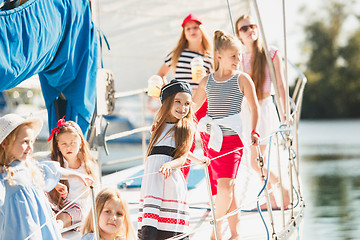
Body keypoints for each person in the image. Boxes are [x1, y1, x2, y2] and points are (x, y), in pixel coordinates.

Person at [192, 30, 260, 240]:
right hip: (211, 141)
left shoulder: (243, 79)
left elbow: (254, 107)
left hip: (232, 142)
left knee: (225, 187)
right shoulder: (207, 81)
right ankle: (235, 233)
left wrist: (254, 131)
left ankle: (215, 233)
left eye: (239, 56)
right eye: (233, 56)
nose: (238, 60)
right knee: (225, 190)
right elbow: (192, 108)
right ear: (219, 57)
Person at [0, 113, 93, 240]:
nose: (30, 147)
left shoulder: (28, 167)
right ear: (5, 143)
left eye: (32, 142)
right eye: (25, 142)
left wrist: (75, 176)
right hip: (22, 231)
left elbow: (49, 171)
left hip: (42, 227)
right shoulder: (5, 176)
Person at [138, 79, 210, 240]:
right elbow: (168, 148)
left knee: (167, 229)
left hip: (169, 180)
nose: (182, 108)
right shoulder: (158, 126)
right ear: (167, 102)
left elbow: (182, 155)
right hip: (152, 181)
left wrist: (170, 164)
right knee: (149, 228)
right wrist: (197, 158)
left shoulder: (185, 127)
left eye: (187, 104)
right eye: (178, 102)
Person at [235, 14, 290, 209]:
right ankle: (273, 199)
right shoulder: (238, 58)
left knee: (255, 161)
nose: (249, 30)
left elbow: (281, 85)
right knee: (256, 159)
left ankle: (284, 192)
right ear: (238, 35)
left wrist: (285, 112)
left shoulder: (271, 53)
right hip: (246, 110)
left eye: (252, 26)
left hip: (264, 108)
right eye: (244, 28)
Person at [155, 13, 213, 180]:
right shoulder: (176, 54)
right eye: (188, 28)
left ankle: (213, 192)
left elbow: (215, 80)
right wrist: (165, 94)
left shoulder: (210, 56)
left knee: (209, 146)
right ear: (184, 33)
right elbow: (161, 75)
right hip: (183, 106)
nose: (192, 31)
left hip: (204, 104)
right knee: (185, 145)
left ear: (201, 30)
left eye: (195, 27)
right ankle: (181, 183)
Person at [47, 116, 100, 229]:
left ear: (80, 143)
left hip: (77, 208)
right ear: (58, 147)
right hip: (57, 204)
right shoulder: (54, 162)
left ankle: (56, 227)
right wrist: (55, 184)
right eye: (64, 144)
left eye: (72, 143)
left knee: (65, 217)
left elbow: (96, 192)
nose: (68, 147)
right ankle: (48, 221)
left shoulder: (88, 166)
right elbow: (38, 172)